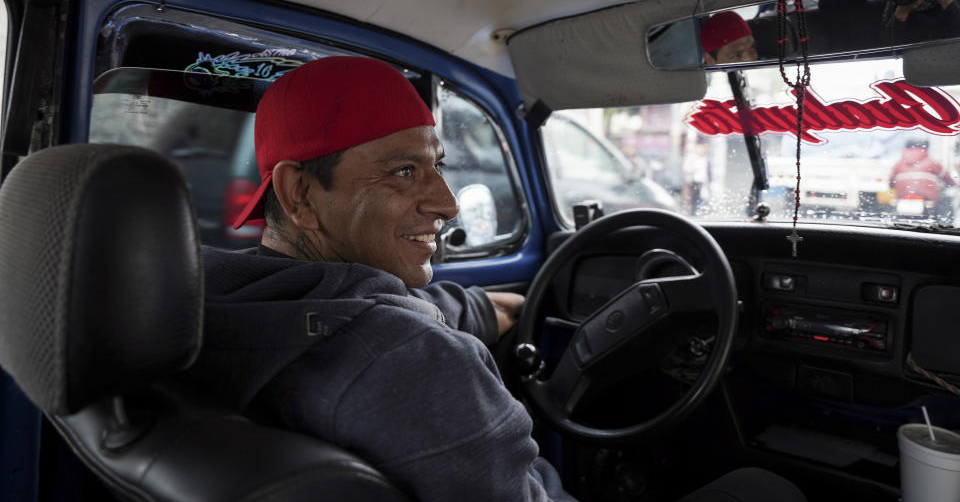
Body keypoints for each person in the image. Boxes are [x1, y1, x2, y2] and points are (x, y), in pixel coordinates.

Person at [187, 56, 806, 501]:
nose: (448, 204)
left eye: (437, 167)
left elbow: (388, 306)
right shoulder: (412, 361)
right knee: (763, 485)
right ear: (300, 193)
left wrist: (483, 309)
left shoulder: (201, 311)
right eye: (404, 172)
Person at [889, 138, 956, 216]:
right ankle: (944, 223)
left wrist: (892, 186)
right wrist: (953, 184)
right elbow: (945, 176)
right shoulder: (932, 162)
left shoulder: (899, 163)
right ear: (925, 148)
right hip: (927, 197)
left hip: (902, 194)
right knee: (944, 205)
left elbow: (891, 180)